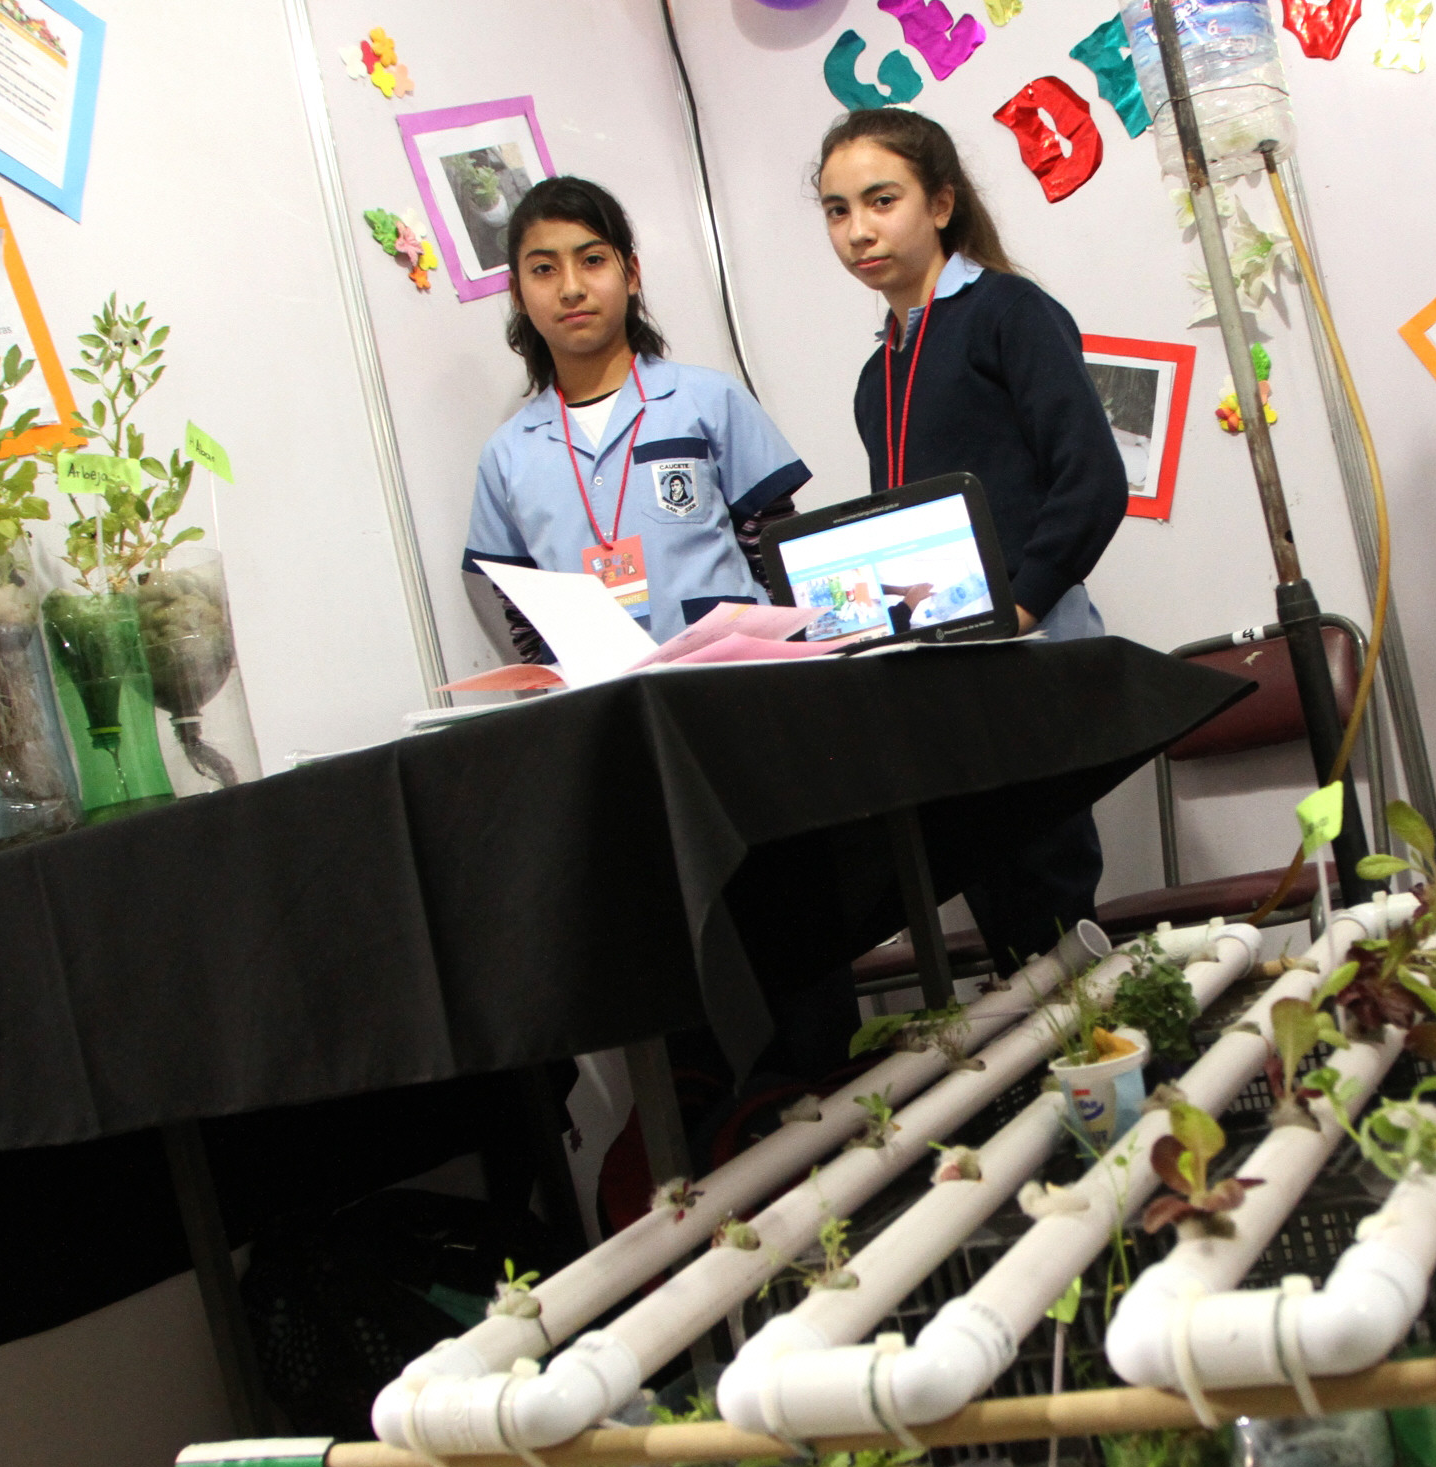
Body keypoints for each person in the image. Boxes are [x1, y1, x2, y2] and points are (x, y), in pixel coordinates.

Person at [816, 107, 1129, 971]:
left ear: (941, 203)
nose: (858, 230)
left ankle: (1114, 1055)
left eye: (881, 200)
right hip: (941, 683)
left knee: (1051, 911)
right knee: (1002, 922)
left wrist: (1018, 607)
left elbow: (1091, 481)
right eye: (838, 210)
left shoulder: (1007, 312)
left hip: (1028, 666)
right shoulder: (876, 375)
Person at [465, 176, 812, 659]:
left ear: (630, 273)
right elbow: (522, 616)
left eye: (592, 260)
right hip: (604, 698)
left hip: (733, 681)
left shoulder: (710, 400)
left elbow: (777, 555)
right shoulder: (507, 455)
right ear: (518, 294)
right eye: (544, 269)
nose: (571, 288)